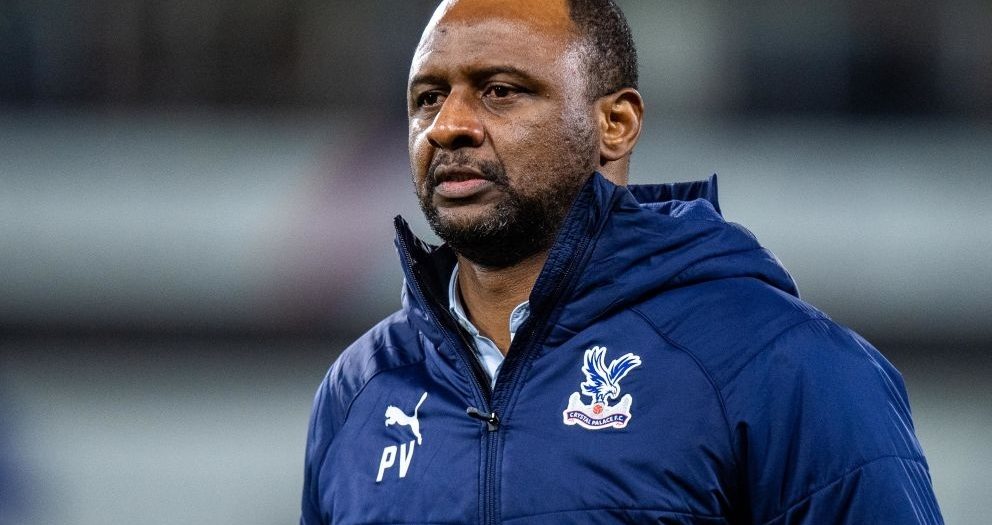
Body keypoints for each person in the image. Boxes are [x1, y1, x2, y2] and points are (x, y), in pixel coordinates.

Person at [301, 0, 944, 523]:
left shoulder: (781, 364)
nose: (448, 125)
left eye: (499, 91)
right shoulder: (358, 391)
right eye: (428, 98)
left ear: (616, 124)